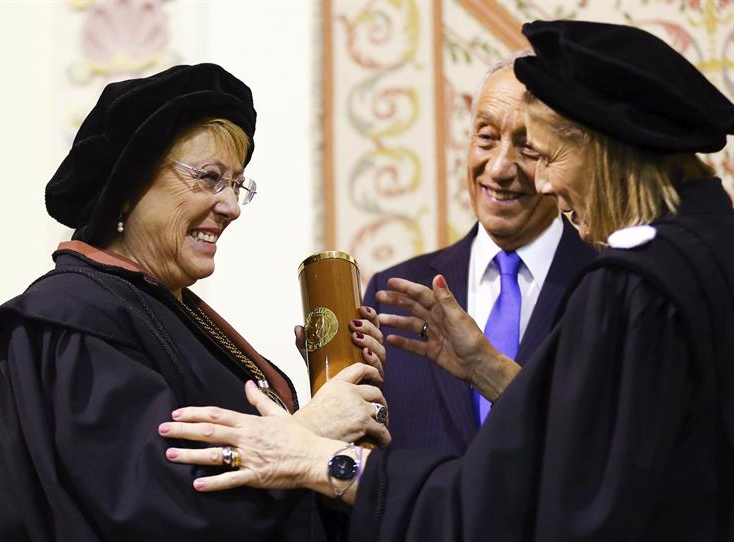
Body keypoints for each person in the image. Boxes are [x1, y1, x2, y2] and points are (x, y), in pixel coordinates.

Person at [158, 21, 734, 541]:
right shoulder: (706, 252)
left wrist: (314, 458)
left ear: (600, 148)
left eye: (545, 155)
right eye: (486, 137)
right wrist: (487, 368)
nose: (544, 184)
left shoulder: (634, 289)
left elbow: (520, 500)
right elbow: (599, 444)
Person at [0, 63, 390, 542]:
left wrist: (348, 425)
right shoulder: (70, 319)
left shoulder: (165, 310)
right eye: (209, 178)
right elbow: (153, 509)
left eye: (237, 185)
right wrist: (309, 432)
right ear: (128, 189)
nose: (231, 206)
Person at [363, 56, 595, 454]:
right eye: (486, 137)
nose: (500, 168)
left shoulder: (606, 286)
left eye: (529, 147)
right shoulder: (396, 293)